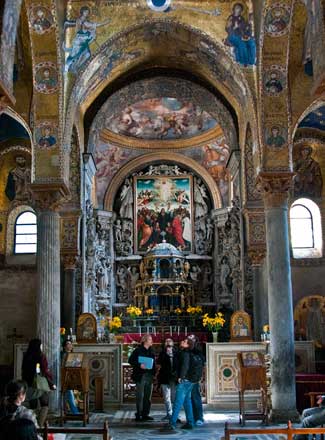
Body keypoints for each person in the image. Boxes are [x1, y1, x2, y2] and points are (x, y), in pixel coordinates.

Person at [168, 337, 202, 430]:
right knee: (187, 401)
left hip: (185, 380)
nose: (182, 341)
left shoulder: (185, 353)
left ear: (188, 345)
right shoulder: (187, 352)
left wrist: (181, 377)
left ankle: (172, 423)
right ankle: (190, 422)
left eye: (184, 341)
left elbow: (185, 366)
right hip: (191, 381)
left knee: (178, 402)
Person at [21, 339, 56, 427]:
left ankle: (33, 424)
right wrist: (51, 382)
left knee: (33, 405)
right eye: (41, 345)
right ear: (38, 346)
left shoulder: (26, 355)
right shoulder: (41, 355)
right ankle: (39, 425)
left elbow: (23, 370)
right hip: (40, 383)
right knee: (45, 404)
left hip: (29, 382)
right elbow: (44, 370)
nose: (42, 346)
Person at [128, 334, 156, 422]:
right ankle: (139, 414)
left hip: (149, 375)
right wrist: (140, 365)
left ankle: (145, 414)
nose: (152, 341)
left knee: (148, 396)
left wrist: (154, 373)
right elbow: (130, 360)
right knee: (140, 395)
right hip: (140, 375)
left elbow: (153, 363)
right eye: (150, 339)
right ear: (145, 341)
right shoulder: (138, 350)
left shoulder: (152, 350)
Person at [157, 338, 179, 421]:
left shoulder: (177, 353)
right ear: (165, 344)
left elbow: (179, 364)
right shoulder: (162, 353)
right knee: (166, 398)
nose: (168, 342)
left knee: (174, 397)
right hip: (165, 378)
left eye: (170, 341)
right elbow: (159, 363)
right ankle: (169, 413)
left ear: (173, 343)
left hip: (174, 378)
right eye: (166, 341)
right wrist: (166, 354)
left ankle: (175, 415)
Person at [188, 335, 205, 426]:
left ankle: (199, 417)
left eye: (191, 338)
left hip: (194, 378)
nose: (189, 339)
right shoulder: (185, 350)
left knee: (195, 397)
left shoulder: (198, 352)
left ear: (195, 340)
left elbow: (201, 363)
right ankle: (191, 417)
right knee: (188, 399)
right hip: (186, 378)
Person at [61, 340, 79, 415]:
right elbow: (63, 366)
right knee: (69, 394)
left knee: (68, 396)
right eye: (68, 344)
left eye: (71, 344)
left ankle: (66, 411)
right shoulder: (63, 355)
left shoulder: (73, 354)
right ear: (64, 346)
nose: (70, 345)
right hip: (65, 377)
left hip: (73, 377)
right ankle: (75, 413)